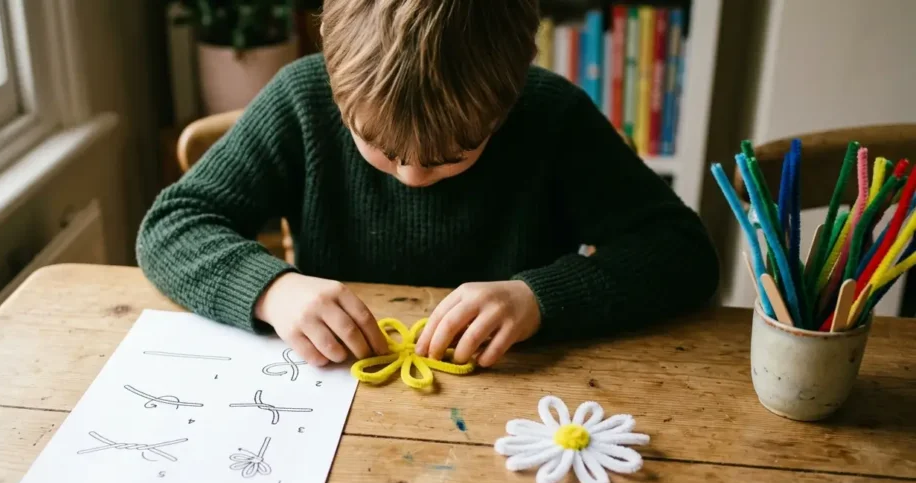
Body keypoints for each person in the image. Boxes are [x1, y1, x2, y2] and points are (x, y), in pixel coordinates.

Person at [136, 0, 719, 370]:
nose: (413, 176)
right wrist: (272, 290)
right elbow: (173, 224)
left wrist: (540, 299)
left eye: (453, 155)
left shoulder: (552, 118)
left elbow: (682, 251)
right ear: (339, 88)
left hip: (513, 408)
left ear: (507, 101)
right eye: (381, 150)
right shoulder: (301, 100)